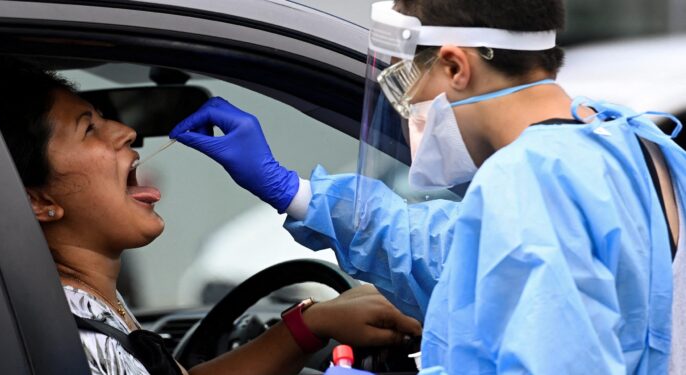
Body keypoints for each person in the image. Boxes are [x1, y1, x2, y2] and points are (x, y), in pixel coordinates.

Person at [168, 0, 686, 374]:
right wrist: (291, 190)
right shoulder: (634, 145)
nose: (407, 109)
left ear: (455, 66)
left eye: (404, 84)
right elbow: (459, 259)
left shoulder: (530, 181)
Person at [0, 65, 422, 375]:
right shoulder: (71, 333)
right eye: (88, 127)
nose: (126, 131)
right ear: (38, 200)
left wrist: (311, 325)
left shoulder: (83, 304)